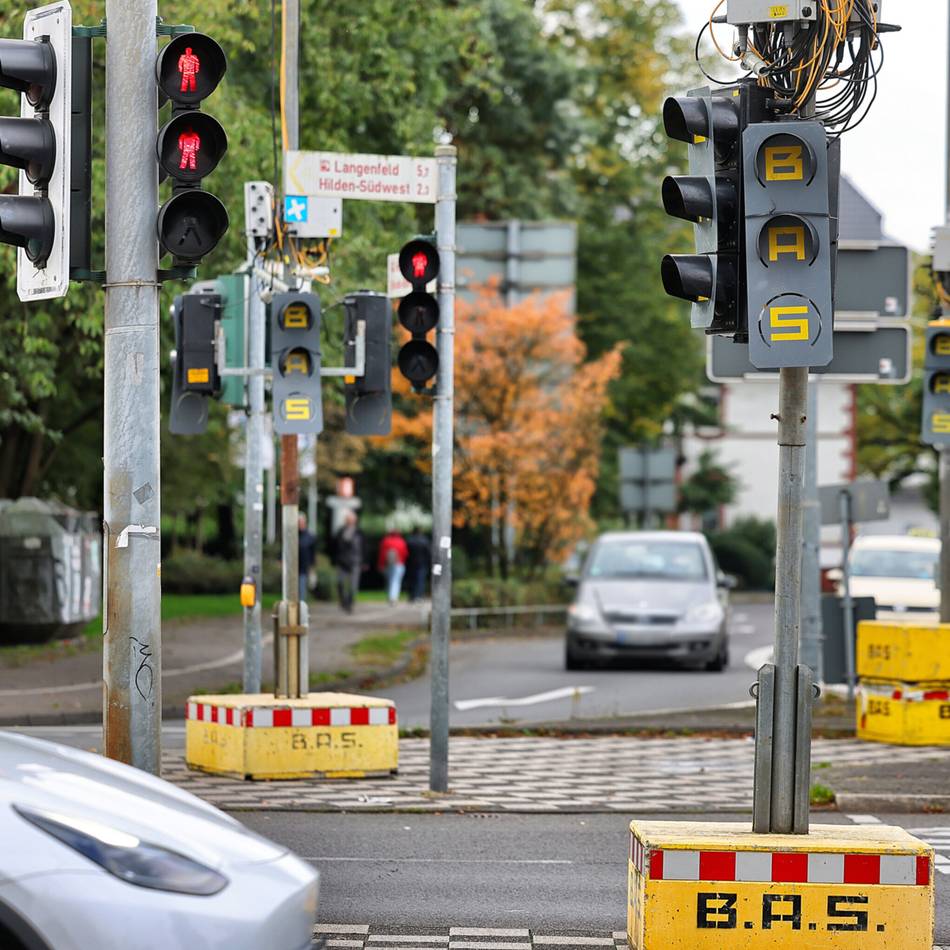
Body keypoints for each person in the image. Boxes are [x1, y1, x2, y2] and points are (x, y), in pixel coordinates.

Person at [332, 511, 363, 613]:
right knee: (340, 582)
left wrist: (364, 561)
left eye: (351, 520)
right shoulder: (340, 532)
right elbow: (335, 547)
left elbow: (363, 548)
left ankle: (349, 603)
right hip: (342, 562)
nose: (350, 521)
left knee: (353, 585)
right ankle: (343, 601)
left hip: (355, 562)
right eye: (348, 520)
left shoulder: (359, 532)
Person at [377, 528, 408, 606]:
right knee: (395, 581)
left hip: (388, 564)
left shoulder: (386, 540)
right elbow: (405, 553)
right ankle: (393, 598)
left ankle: (390, 597)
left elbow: (382, 554)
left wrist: (380, 564)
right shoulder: (401, 541)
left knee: (390, 581)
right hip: (399, 564)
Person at [405, 526, 431, 603]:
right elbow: (428, 553)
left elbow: (406, 552)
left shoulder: (409, 540)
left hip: (411, 563)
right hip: (422, 563)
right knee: (420, 580)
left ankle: (412, 596)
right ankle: (419, 596)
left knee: (412, 580)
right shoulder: (424, 541)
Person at [298, 512, 316, 603]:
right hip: (293, 567)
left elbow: (312, 554)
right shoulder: (292, 535)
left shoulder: (310, 537)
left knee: (302, 590)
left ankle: (301, 609)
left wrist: (312, 568)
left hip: (304, 568)